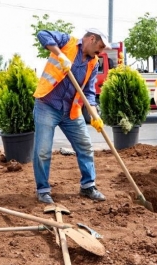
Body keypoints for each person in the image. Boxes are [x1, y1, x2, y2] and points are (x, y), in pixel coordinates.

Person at [32, 28, 109, 204]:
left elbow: (89, 92)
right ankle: (43, 190)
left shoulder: (93, 63)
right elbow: (42, 34)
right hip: (47, 104)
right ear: (91, 39)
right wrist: (60, 55)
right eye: (101, 46)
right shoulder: (68, 41)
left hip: (70, 111)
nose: (101, 51)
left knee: (85, 146)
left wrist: (95, 116)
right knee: (43, 151)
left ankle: (88, 186)